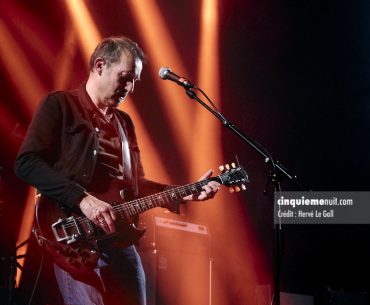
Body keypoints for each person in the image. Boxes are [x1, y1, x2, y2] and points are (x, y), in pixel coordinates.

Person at [15, 36, 220, 305]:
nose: (130, 87)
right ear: (100, 66)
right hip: (75, 235)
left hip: (120, 238)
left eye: (134, 80)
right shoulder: (59, 106)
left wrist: (185, 193)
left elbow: (137, 185)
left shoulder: (124, 123)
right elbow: (26, 163)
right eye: (125, 77)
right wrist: (83, 200)